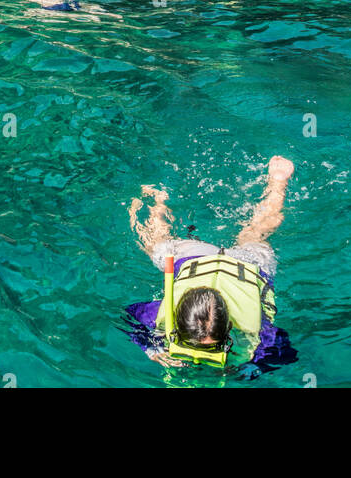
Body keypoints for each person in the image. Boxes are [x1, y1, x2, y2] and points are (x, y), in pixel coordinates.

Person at [125, 156, 297, 373]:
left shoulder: (253, 332)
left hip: (235, 264)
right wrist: (152, 350)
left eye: (214, 347)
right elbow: (130, 315)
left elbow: (284, 354)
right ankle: (157, 200)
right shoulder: (163, 314)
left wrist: (244, 370)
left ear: (230, 328)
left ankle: (278, 183)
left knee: (256, 233)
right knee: (254, 233)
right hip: (219, 262)